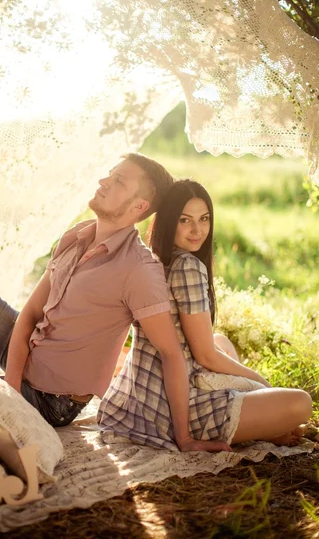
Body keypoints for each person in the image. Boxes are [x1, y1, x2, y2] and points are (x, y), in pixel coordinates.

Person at [0, 154, 230, 452]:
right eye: (110, 174)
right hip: (28, 354)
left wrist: (185, 437)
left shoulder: (139, 269)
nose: (103, 181)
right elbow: (29, 315)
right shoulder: (76, 236)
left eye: (118, 180)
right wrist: (11, 388)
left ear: (139, 206)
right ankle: (3, 389)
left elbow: (170, 353)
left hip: (53, 399)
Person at [98, 179, 312, 449]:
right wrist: (260, 383)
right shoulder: (187, 266)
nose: (197, 230)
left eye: (204, 218)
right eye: (185, 220)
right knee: (300, 403)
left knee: (220, 340)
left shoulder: (154, 258)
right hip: (176, 408)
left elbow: (204, 348)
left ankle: (262, 425)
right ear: (168, 221)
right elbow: (205, 355)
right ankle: (261, 426)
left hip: (144, 394)